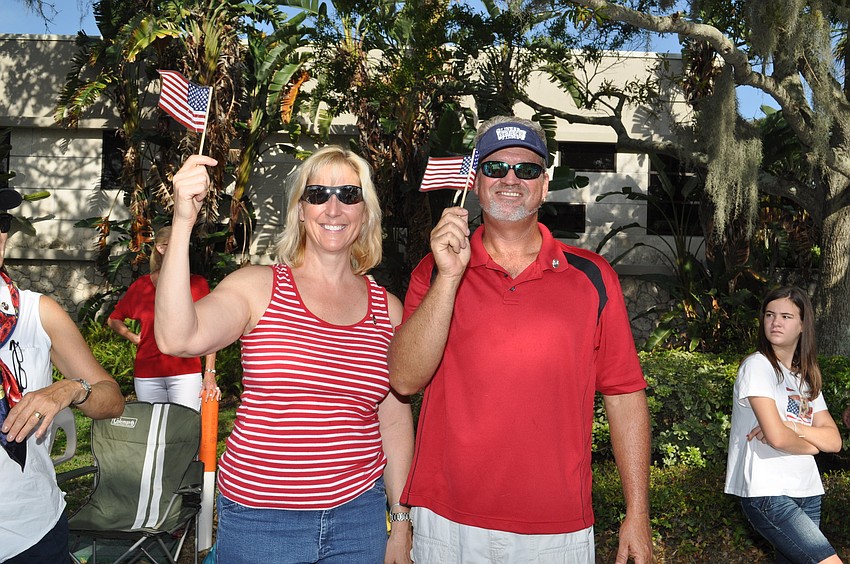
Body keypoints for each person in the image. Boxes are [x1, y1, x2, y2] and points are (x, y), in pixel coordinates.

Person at [388, 116, 652, 563]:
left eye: (527, 169)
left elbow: (625, 395)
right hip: (447, 521)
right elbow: (405, 380)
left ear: (544, 185)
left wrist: (638, 514)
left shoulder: (591, 277)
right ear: (474, 181)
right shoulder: (433, 273)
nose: (511, 179)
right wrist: (450, 277)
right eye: (495, 168)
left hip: (556, 527)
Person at [154, 147, 414, 563]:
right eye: (318, 194)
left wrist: (400, 519)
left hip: (359, 518)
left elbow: (394, 420)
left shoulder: (389, 309)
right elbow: (176, 338)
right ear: (299, 210)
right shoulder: (258, 287)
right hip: (262, 520)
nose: (333, 207)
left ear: (366, 212)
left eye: (349, 194)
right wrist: (183, 221)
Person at [0, 188, 125, 562]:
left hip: (30, 529)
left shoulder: (39, 313)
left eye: (1, 223)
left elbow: (112, 399)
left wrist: (69, 389)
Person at [725, 286, 843, 563]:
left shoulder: (805, 377)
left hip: (808, 490)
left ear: (803, 325)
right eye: (770, 314)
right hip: (768, 493)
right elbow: (777, 438)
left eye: (787, 316)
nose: (776, 322)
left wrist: (794, 427)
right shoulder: (758, 366)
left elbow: (834, 441)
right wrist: (813, 447)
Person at [108, 226, 218, 410]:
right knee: (153, 431)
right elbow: (114, 319)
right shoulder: (141, 286)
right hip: (147, 374)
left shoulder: (198, 284)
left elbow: (211, 331)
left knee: (185, 431)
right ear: (161, 248)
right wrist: (134, 337)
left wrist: (210, 372)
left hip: (186, 373)